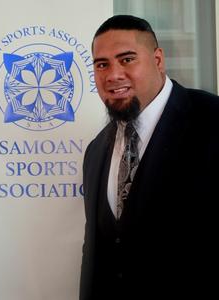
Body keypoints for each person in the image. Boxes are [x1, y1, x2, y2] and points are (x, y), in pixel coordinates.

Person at [79, 15, 218, 300]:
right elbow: (97, 257)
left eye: (127, 59)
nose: (113, 74)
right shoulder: (95, 152)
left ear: (157, 60)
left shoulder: (213, 121)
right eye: (101, 64)